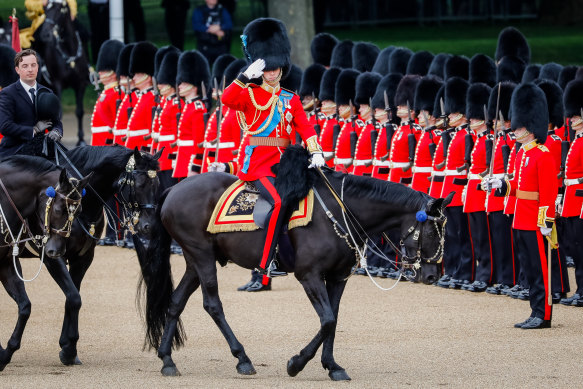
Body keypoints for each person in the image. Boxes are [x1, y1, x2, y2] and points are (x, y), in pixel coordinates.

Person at [221, 18, 325, 286]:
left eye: (275, 68)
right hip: (258, 165)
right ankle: (265, 263)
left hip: (287, 164)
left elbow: (306, 127)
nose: (271, 73)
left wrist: (315, 151)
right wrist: (245, 77)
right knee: (278, 202)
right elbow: (227, 99)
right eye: (267, 69)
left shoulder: (290, 98)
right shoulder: (249, 93)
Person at [485, 83, 557, 329]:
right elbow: (517, 186)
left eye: (519, 126)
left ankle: (543, 314)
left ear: (531, 127)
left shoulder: (543, 154)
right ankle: (535, 311)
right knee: (528, 268)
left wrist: (547, 221)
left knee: (539, 270)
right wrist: (499, 184)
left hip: (536, 220)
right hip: (520, 218)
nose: (515, 130)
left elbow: (548, 192)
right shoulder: (521, 154)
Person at [0, 49, 63, 157]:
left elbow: (56, 122)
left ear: (38, 67)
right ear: (17, 70)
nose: (30, 69)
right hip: (15, 151)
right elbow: (5, 126)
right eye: (25, 66)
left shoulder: (47, 92)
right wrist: (34, 130)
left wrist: (57, 131)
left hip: (42, 149)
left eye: (33, 65)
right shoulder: (7, 93)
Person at [192, 0, 233, 65]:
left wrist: (220, 27)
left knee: (223, 64)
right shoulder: (199, 10)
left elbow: (229, 24)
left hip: (220, 44)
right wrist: (211, 29)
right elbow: (196, 25)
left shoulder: (222, 9)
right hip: (204, 44)